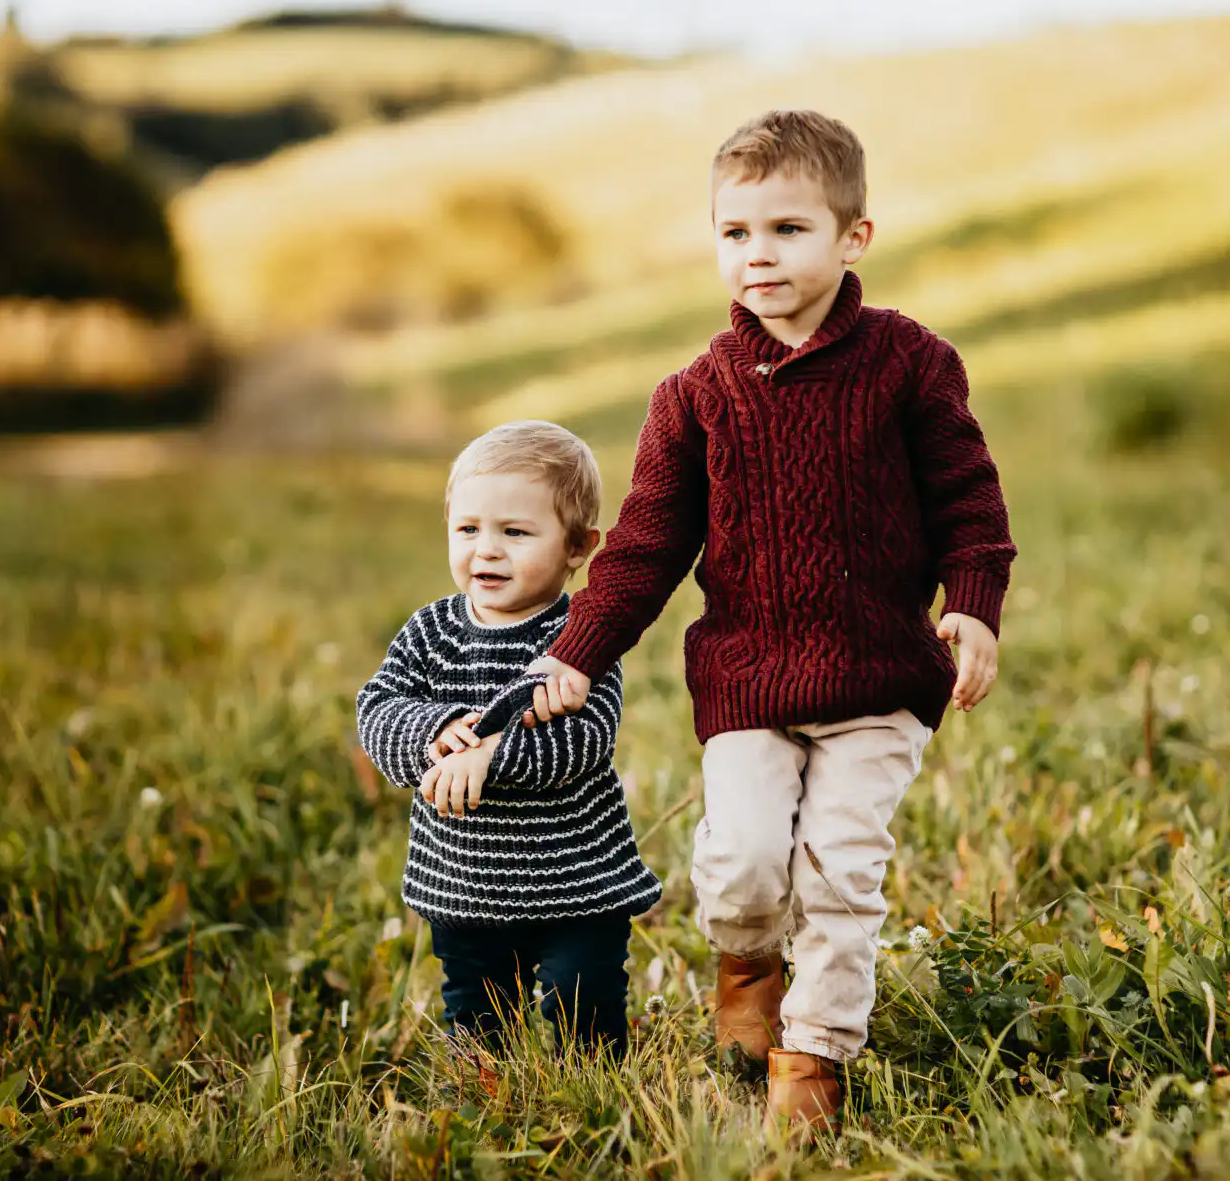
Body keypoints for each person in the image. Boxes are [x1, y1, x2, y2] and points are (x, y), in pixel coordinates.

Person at [522, 110, 1017, 1124]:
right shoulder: (694, 396)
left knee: (840, 869)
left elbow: (969, 501)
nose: (759, 254)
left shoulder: (911, 363)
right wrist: (578, 649)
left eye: (789, 229)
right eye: (735, 232)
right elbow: (646, 546)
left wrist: (972, 606)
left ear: (853, 236)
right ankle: (748, 963)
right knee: (745, 863)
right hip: (748, 679)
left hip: (880, 677)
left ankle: (815, 1056)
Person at [356, 420, 662, 1077]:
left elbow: (585, 738)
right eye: (468, 529)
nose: (487, 551)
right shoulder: (431, 632)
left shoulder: (580, 638)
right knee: (476, 1011)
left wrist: (489, 755)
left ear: (578, 547)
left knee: (583, 996)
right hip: (465, 882)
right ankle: (481, 1100)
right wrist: (433, 730)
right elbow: (377, 709)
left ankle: (594, 1088)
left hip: (577, 882)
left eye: (515, 533)